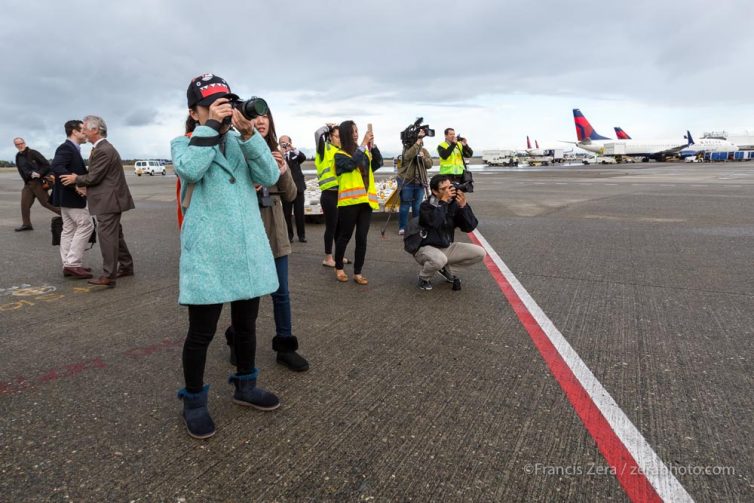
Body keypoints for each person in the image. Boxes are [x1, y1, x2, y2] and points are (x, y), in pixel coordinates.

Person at [171, 73, 282, 439]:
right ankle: (195, 402)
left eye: (226, 102)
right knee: (201, 333)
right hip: (208, 252)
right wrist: (212, 128)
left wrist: (249, 135)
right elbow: (190, 169)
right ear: (194, 111)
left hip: (247, 247)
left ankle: (246, 385)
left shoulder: (241, 141)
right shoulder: (184, 143)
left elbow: (269, 175)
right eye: (211, 105)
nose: (222, 109)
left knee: (247, 325)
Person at [225, 106, 310, 372]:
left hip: (274, 228)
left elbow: (292, 195)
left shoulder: (276, 151)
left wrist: (283, 169)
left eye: (265, 116)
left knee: (281, 293)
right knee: (245, 293)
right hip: (246, 227)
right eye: (253, 116)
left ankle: (285, 346)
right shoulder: (234, 146)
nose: (260, 121)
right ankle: (236, 339)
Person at [60, 115, 134, 288]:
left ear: (95, 130)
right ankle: (126, 266)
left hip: (108, 201)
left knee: (107, 237)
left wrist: (75, 179)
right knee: (116, 235)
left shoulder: (103, 150)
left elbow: (93, 177)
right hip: (110, 199)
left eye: (85, 128)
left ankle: (109, 276)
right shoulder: (99, 148)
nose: (83, 131)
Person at [414, 174, 486, 291]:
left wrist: (463, 207)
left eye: (450, 187)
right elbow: (434, 223)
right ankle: (424, 278)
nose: (449, 191)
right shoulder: (426, 206)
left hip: (446, 246)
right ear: (435, 191)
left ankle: (446, 269)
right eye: (444, 189)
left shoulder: (452, 205)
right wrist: (443, 202)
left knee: (480, 253)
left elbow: (469, 227)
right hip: (425, 248)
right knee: (439, 260)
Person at [333, 120, 383, 285]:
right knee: (345, 236)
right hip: (349, 202)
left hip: (365, 202)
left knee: (362, 238)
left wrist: (373, 146)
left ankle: (358, 272)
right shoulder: (339, 155)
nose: (356, 133)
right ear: (347, 134)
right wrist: (362, 144)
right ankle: (339, 268)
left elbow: (378, 163)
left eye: (357, 130)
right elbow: (350, 165)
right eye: (353, 131)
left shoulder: (363, 153)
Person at [50, 120, 94, 279]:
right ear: (74, 131)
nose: (85, 132)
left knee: (69, 229)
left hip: (65, 198)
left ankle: (67, 264)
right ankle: (72, 264)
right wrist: (75, 185)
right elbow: (56, 166)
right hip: (71, 197)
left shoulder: (73, 148)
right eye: (83, 129)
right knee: (86, 225)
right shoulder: (66, 148)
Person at [314, 123, 350, 268]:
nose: (339, 139)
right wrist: (327, 127)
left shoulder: (342, 151)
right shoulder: (324, 149)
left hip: (340, 194)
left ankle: (339, 255)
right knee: (331, 226)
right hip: (329, 194)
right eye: (337, 136)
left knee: (341, 227)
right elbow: (317, 134)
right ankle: (328, 257)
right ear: (330, 136)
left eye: (341, 136)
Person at [13, 137, 60, 231]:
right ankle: (27, 224)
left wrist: (39, 173)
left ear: (24, 143)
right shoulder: (18, 156)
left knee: (46, 203)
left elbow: (46, 165)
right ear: (15, 146)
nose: (20, 145)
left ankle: (70, 217)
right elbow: (21, 170)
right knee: (24, 204)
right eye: (17, 144)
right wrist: (26, 181)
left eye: (21, 143)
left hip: (38, 182)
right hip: (28, 183)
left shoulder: (33, 153)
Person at [398, 128, 432, 235]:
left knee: (417, 206)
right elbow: (408, 156)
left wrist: (423, 158)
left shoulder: (424, 151)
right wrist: (417, 142)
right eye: (419, 138)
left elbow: (429, 164)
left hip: (420, 181)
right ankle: (403, 227)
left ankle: (416, 227)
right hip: (407, 180)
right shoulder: (406, 149)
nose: (421, 140)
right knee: (405, 205)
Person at [279, 135, 307, 243]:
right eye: (282, 142)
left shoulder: (295, 154)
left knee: (299, 213)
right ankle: (289, 236)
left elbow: (303, 158)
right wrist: (281, 153)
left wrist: (292, 148)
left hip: (298, 187)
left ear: (290, 142)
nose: (284, 144)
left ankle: (302, 236)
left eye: (286, 142)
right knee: (287, 214)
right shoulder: (279, 155)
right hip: (286, 189)